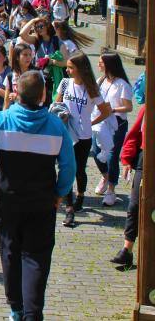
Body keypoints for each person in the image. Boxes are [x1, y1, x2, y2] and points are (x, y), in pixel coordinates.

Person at [0, 71, 76, 321]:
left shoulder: (2, 120)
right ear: (43, 95)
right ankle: (33, 312)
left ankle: (16, 308)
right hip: (42, 203)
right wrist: (60, 193)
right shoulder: (56, 127)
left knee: (9, 251)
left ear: (16, 92)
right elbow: (69, 167)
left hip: (8, 200)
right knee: (36, 257)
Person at [55, 52, 111, 227]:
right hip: (66, 134)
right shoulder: (65, 84)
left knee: (79, 170)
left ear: (80, 68)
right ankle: (69, 208)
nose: (68, 70)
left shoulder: (91, 88)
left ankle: (80, 195)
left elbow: (105, 111)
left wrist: (90, 121)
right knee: (66, 170)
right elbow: (57, 105)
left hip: (84, 136)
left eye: (71, 68)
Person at [93, 53, 133, 207]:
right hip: (100, 122)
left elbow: (128, 107)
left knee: (112, 155)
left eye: (101, 62)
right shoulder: (101, 81)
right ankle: (105, 175)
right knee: (96, 152)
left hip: (117, 123)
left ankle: (111, 189)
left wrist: (113, 109)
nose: (99, 65)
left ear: (109, 64)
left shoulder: (122, 84)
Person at [111, 105, 145, 268]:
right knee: (134, 206)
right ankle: (127, 251)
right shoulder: (147, 107)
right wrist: (127, 159)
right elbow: (135, 134)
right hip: (145, 160)